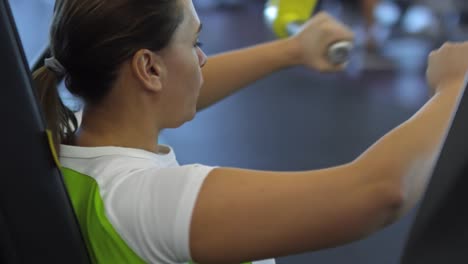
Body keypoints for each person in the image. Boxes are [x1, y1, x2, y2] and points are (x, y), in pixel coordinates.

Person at [32, 0, 468, 263]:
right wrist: (453, 87)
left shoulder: (65, 138)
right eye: (195, 42)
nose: (203, 59)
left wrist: (291, 50)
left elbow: (160, 91)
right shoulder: (146, 199)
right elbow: (379, 192)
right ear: (149, 67)